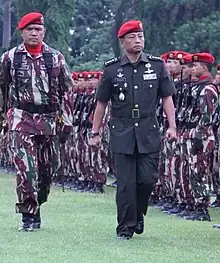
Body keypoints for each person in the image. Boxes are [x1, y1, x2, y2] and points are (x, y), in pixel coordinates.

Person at [89, 20, 177, 240]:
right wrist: (95, 132)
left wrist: (172, 126)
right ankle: (125, 227)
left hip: (148, 130)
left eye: (140, 36)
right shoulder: (112, 69)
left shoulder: (157, 66)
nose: (138, 41)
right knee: (126, 183)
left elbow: (167, 98)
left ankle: (138, 212)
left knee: (147, 179)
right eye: (132, 37)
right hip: (122, 131)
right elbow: (101, 103)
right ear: (122, 41)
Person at [0, 12, 74, 231]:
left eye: (38, 29)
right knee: (26, 170)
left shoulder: (56, 57)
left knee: (48, 169)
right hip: (21, 119)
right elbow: (2, 87)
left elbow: (67, 90)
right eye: (29, 29)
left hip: (49, 121)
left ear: (44, 32)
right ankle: (28, 216)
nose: (34, 33)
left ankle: (37, 201)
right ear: (21, 32)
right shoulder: (10, 58)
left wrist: (67, 121)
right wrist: (4, 117)